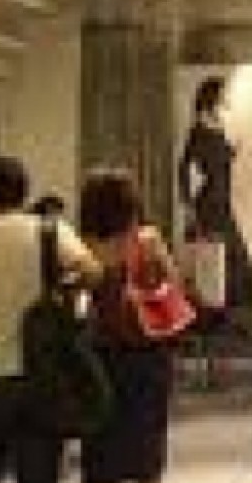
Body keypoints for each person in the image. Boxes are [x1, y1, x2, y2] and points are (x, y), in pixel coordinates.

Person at [0, 156, 99, 483]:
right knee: (39, 470)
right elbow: (93, 273)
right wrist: (61, 295)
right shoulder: (51, 231)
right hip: (42, 374)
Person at [79, 167, 180, 483]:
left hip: (102, 356)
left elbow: (81, 302)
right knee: (146, 443)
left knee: (101, 446)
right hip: (149, 353)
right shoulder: (148, 240)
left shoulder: (86, 247)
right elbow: (173, 286)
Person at [178, 76, 252, 323]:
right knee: (221, 258)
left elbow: (218, 161)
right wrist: (188, 203)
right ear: (214, 95)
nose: (226, 96)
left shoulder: (216, 123)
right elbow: (184, 166)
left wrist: (232, 151)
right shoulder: (200, 126)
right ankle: (216, 314)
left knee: (228, 259)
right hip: (211, 201)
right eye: (223, 92)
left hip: (221, 199)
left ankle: (224, 314)